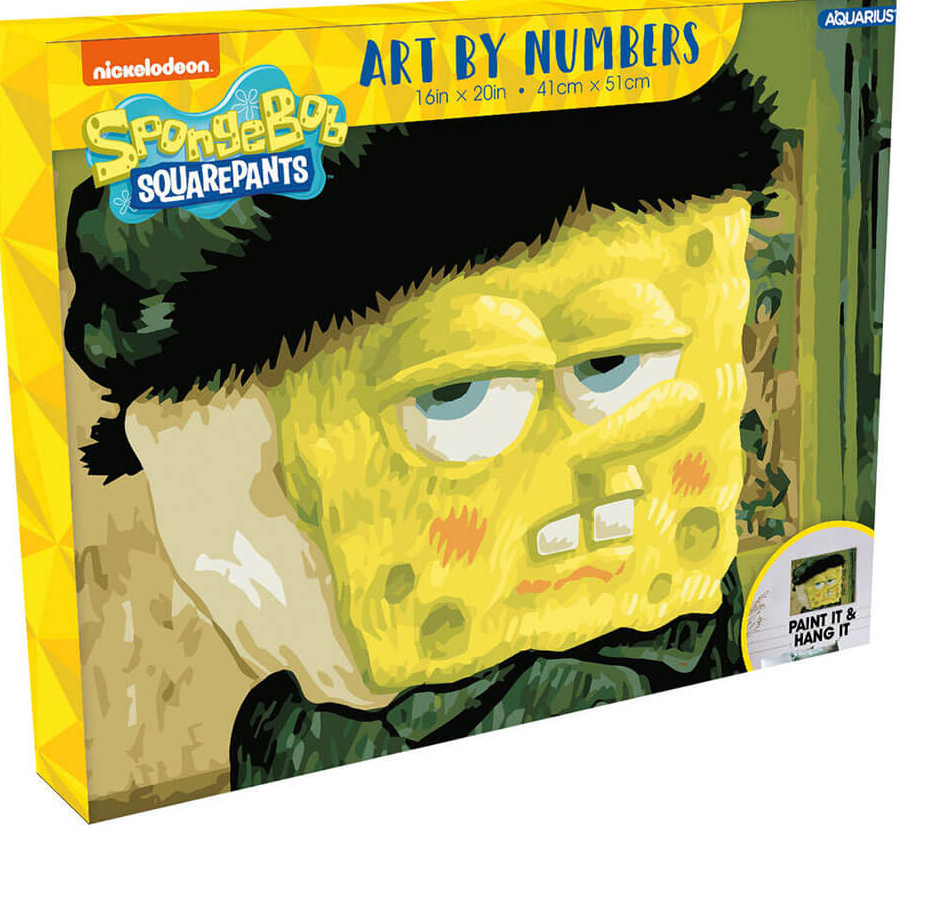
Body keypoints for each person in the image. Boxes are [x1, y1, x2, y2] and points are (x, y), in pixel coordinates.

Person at [64, 61, 779, 788]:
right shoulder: (338, 742)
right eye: (458, 394)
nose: (602, 461)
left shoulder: (714, 641)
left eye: (612, 364)